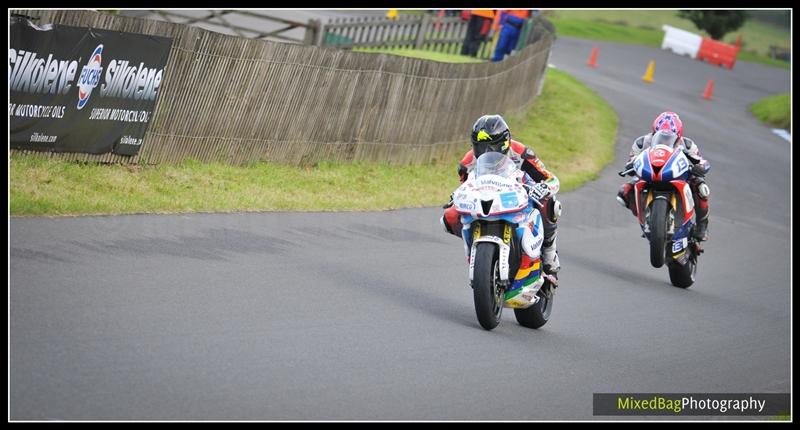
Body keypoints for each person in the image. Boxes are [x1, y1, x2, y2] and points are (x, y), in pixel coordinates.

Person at [441, 114, 562, 274]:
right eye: (480, 147)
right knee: (449, 217)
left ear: (505, 143)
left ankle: (549, 251)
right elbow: (465, 186)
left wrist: (543, 188)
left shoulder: (521, 153)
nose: (486, 151)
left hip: (519, 194)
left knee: (550, 203)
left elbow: (552, 179)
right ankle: (476, 254)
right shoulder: (467, 162)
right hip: (487, 197)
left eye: (492, 147)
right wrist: (455, 197)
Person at [616, 111, 711, 242]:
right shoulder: (641, 142)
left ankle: (702, 225)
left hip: (680, 175)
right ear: (653, 133)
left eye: (670, 138)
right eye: (659, 136)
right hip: (650, 174)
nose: (665, 141)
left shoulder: (687, 144)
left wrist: (700, 167)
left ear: (679, 136)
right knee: (624, 191)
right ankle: (646, 218)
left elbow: (702, 161)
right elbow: (631, 161)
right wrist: (630, 166)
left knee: (702, 188)